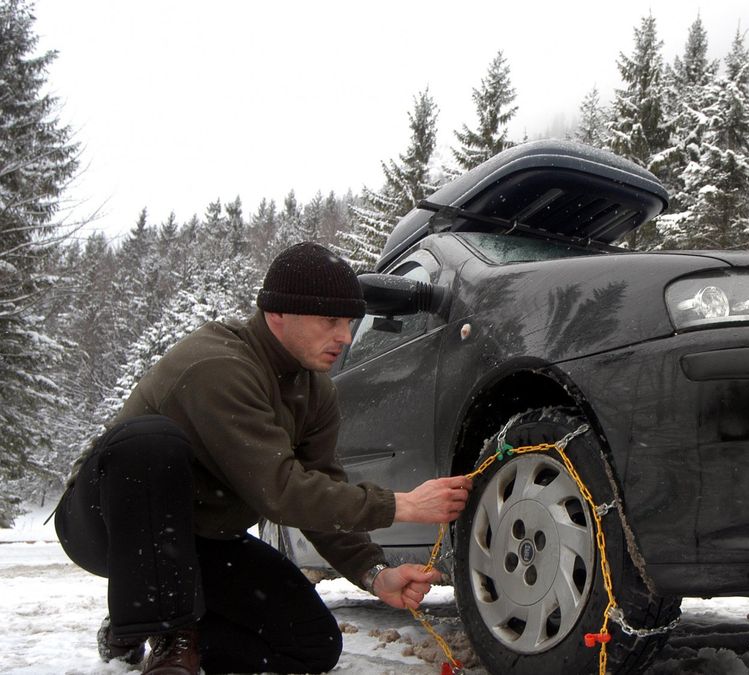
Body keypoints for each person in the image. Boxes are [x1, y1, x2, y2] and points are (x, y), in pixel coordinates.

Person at [54, 241, 472, 674]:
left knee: (313, 645)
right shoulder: (217, 364)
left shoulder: (316, 393)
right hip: (109, 525)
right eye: (330, 320)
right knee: (150, 442)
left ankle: (177, 621)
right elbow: (280, 490)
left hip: (201, 540)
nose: (345, 337)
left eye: (350, 322)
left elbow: (319, 491)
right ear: (278, 314)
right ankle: (154, 630)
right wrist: (403, 504)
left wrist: (374, 572)